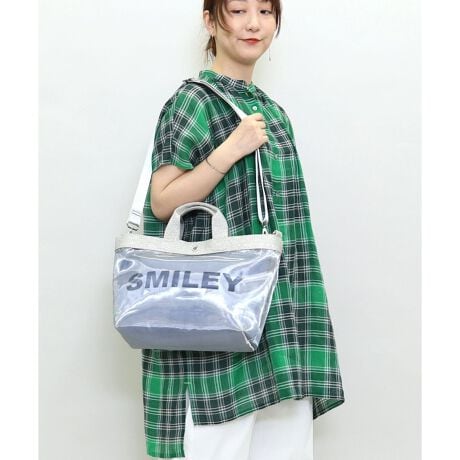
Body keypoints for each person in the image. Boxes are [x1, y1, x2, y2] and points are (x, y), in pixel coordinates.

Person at [141, 1, 345, 458]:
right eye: (237, 10)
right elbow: (162, 201)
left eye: (266, 12)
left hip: (281, 322)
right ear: (211, 21)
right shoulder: (192, 101)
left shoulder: (273, 113)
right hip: (219, 325)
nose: (254, 23)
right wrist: (230, 149)